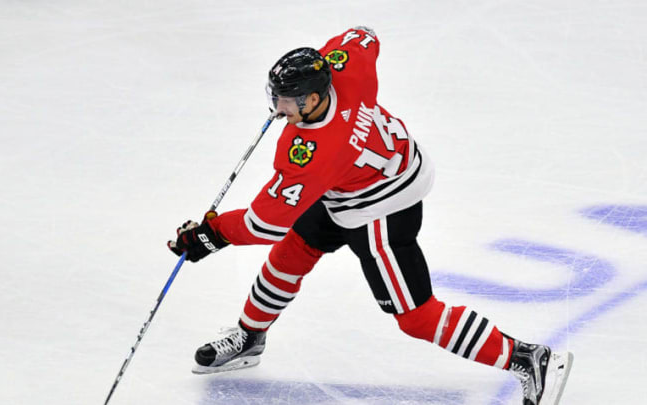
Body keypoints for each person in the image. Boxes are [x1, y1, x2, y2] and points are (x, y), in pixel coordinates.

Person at [168, 26, 573, 405]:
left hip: (381, 205)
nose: (277, 109)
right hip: (364, 177)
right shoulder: (345, 66)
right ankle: (249, 337)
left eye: (288, 101)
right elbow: (365, 35)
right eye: (276, 97)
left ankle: (529, 359)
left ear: (313, 98)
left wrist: (210, 234)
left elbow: (266, 223)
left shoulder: (311, 152)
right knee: (290, 257)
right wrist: (328, 57)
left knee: (415, 317)